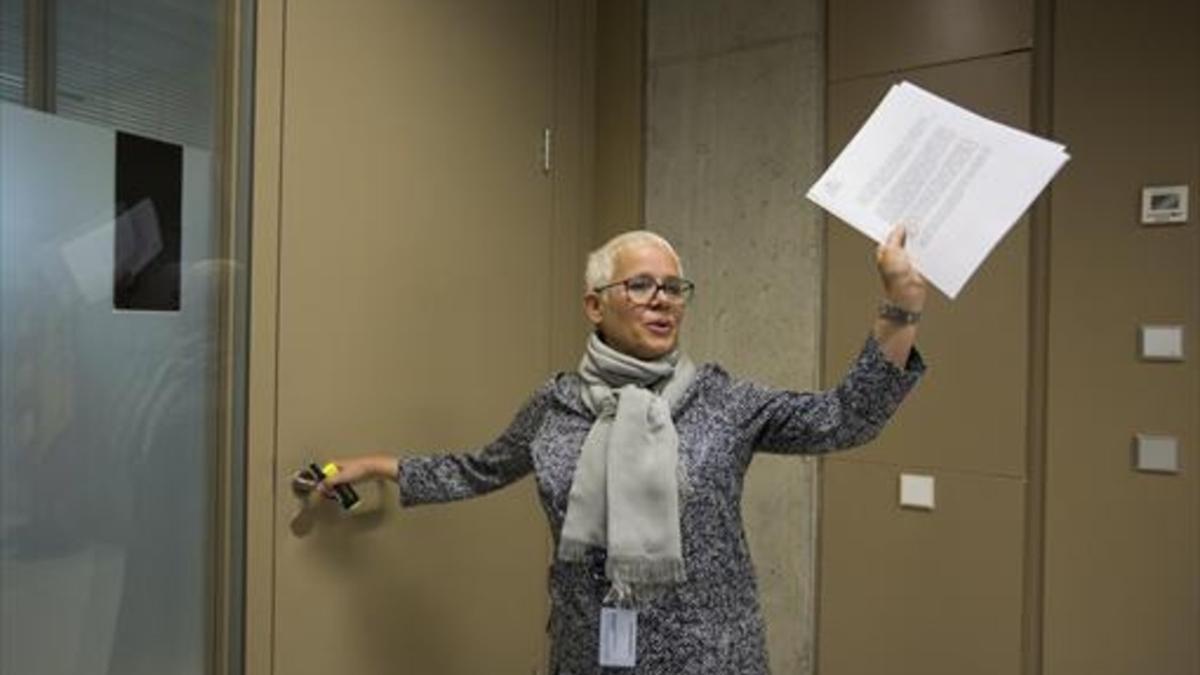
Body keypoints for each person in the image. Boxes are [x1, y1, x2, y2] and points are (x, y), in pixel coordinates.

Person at [317, 226, 926, 674]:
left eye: (673, 287)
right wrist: (378, 467)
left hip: (709, 659)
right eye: (640, 286)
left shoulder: (722, 400)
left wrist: (900, 307)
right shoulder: (555, 405)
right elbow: (479, 468)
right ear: (595, 304)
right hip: (590, 655)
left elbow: (844, 419)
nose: (662, 299)